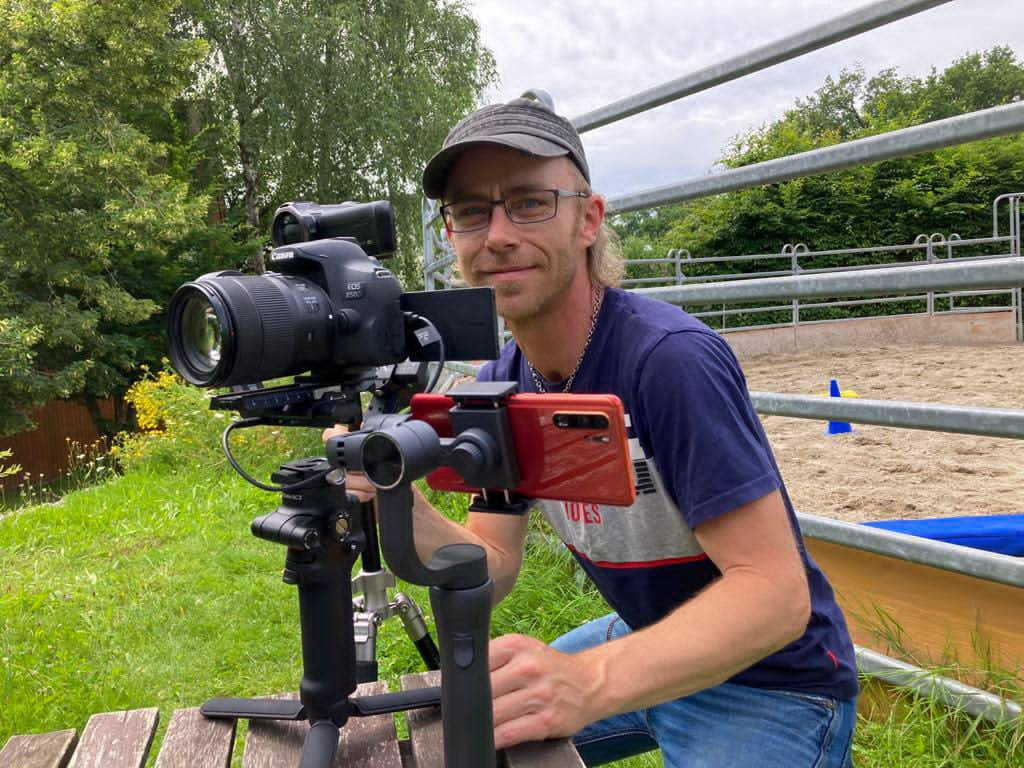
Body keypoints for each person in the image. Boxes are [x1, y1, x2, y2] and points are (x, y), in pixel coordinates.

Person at [329, 96, 858, 767]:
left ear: (589, 219)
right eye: (470, 211)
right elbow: (490, 568)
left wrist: (589, 681)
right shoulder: (503, 379)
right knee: (452, 738)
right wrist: (399, 496)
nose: (496, 235)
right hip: (649, 633)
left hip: (771, 682)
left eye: (528, 203)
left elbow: (775, 597)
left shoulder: (668, 360)